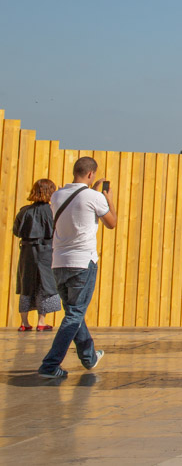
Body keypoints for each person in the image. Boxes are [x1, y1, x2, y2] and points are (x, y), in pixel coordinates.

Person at [37, 158, 117, 380]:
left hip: (58, 262)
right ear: (91, 174)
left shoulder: (57, 195)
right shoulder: (94, 197)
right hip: (83, 263)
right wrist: (108, 199)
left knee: (74, 312)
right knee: (74, 314)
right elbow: (112, 223)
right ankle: (50, 364)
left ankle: (89, 357)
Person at [13, 179, 61, 333]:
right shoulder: (53, 211)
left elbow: (16, 231)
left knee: (26, 284)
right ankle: (41, 322)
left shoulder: (24, 211)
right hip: (46, 251)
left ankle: (24, 322)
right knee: (45, 284)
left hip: (27, 251)